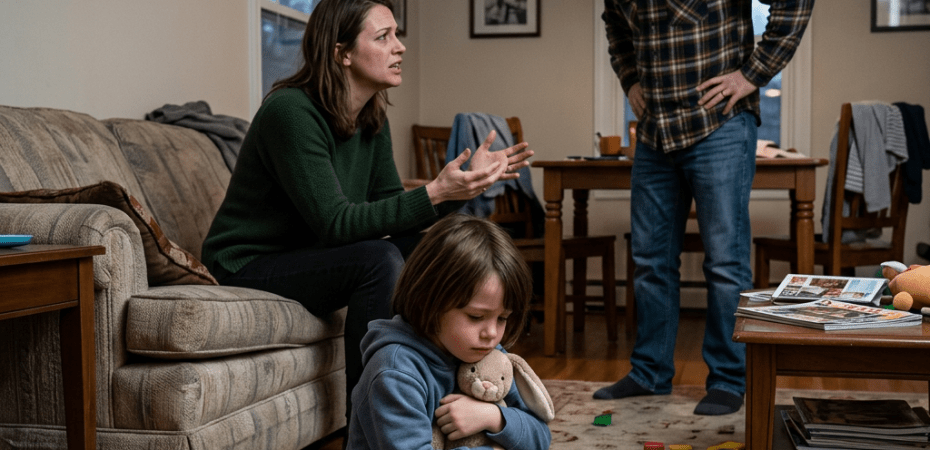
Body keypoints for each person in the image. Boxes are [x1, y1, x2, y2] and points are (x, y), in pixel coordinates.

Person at [200, 0, 533, 425]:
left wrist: (463, 186)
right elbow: (335, 223)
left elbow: (396, 213)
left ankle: (459, 390)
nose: (400, 47)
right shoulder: (290, 112)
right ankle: (371, 423)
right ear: (342, 53)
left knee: (427, 250)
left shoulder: (371, 115)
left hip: (312, 255)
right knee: (376, 261)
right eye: (383, 37)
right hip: (247, 263)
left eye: (397, 34)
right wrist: (435, 191)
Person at [595, 0, 813, 416]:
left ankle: (730, 380)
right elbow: (615, 26)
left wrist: (752, 75)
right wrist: (630, 79)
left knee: (725, 263)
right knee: (650, 261)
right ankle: (649, 373)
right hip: (656, 130)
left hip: (721, 124)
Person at [345, 214, 551, 450]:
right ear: (428, 300)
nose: (491, 334)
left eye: (502, 318)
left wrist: (493, 417)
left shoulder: (490, 356)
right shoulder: (395, 373)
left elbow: (541, 437)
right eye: (476, 317)